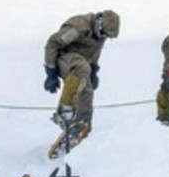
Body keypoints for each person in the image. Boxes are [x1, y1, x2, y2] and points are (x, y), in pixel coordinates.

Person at [43, 10, 120, 139]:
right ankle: (65, 111)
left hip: (82, 65)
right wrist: (50, 72)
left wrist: (94, 70)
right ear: (99, 24)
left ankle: (82, 123)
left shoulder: (101, 34)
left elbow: (95, 52)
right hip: (63, 58)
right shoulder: (80, 27)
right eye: (104, 34)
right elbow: (53, 44)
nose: (104, 38)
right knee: (81, 67)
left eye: (108, 37)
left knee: (86, 88)